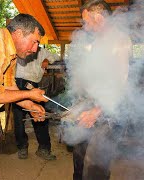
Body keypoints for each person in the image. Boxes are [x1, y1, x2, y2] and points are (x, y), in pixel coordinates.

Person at [0, 14, 49, 179]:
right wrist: (30, 94)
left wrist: (31, 106)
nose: (35, 49)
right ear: (18, 33)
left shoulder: (10, 54)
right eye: (34, 42)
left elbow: (9, 87)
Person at [69, 0, 132, 179]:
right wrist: (82, 100)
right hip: (95, 105)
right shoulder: (97, 42)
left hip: (111, 112)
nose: (86, 28)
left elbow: (120, 83)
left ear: (100, 18)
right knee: (79, 152)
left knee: (95, 161)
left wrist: (96, 111)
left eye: (88, 22)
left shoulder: (120, 40)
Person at [13, 48, 60, 160]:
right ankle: (22, 147)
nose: (34, 45)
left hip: (33, 85)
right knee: (19, 120)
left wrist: (47, 61)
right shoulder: (18, 47)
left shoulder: (42, 51)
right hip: (16, 84)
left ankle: (43, 149)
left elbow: (56, 57)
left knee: (40, 116)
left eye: (37, 42)